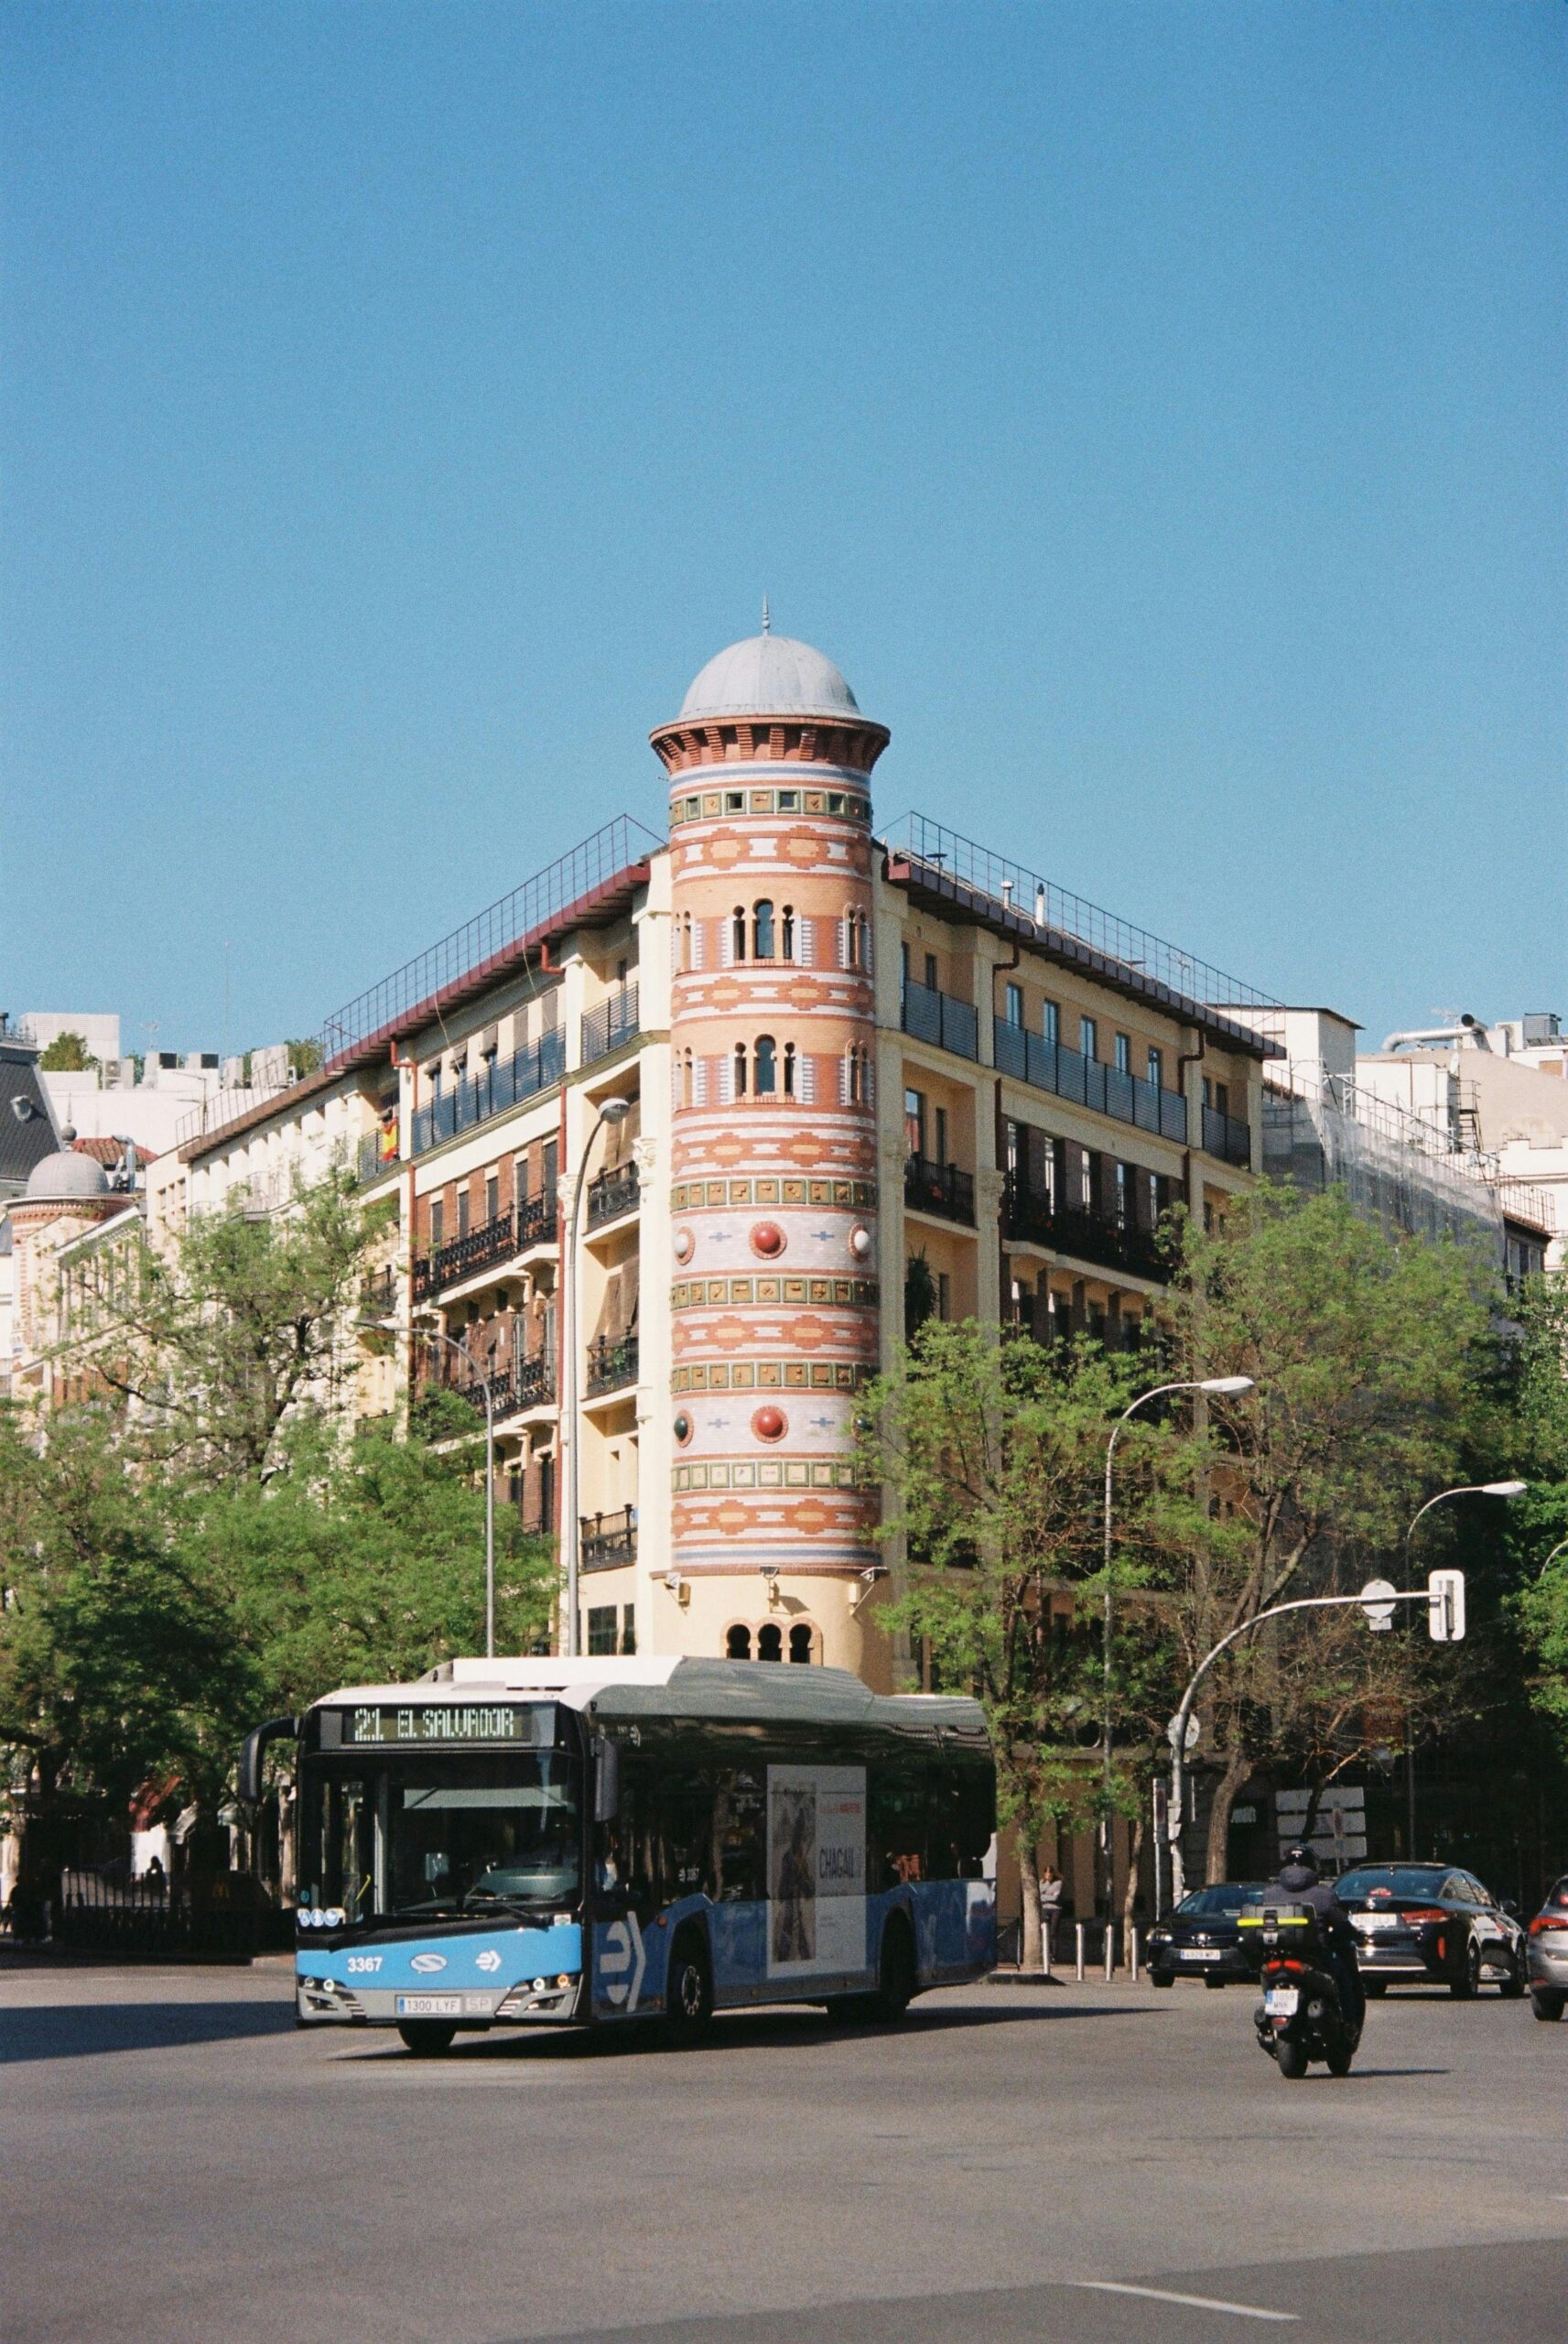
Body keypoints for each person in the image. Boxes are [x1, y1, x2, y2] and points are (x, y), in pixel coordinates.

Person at [1271, 1842, 1365, 2032]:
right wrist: (1357, 1935)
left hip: (1277, 1956)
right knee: (1345, 1977)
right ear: (1313, 1867)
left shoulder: (1269, 1893)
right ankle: (1349, 2023)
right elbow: (1341, 1924)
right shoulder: (1324, 1894)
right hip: (1316, 1957)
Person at [1038, 1864, 1064, 1967]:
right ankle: (1046, 1953)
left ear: (1053, 1874)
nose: (1048, 1875)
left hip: (1055, 1909)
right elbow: (1040, 1896)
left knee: (1053, 1932)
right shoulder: (1042, 1883)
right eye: (1046, 1873)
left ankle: (1054, 1955)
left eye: (1050, 1873)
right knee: (1045, 1931)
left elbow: (1055, 1898)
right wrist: (1047, 1896)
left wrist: (1045, 1896)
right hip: (1045, 1908)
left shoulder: (1058, 1883)